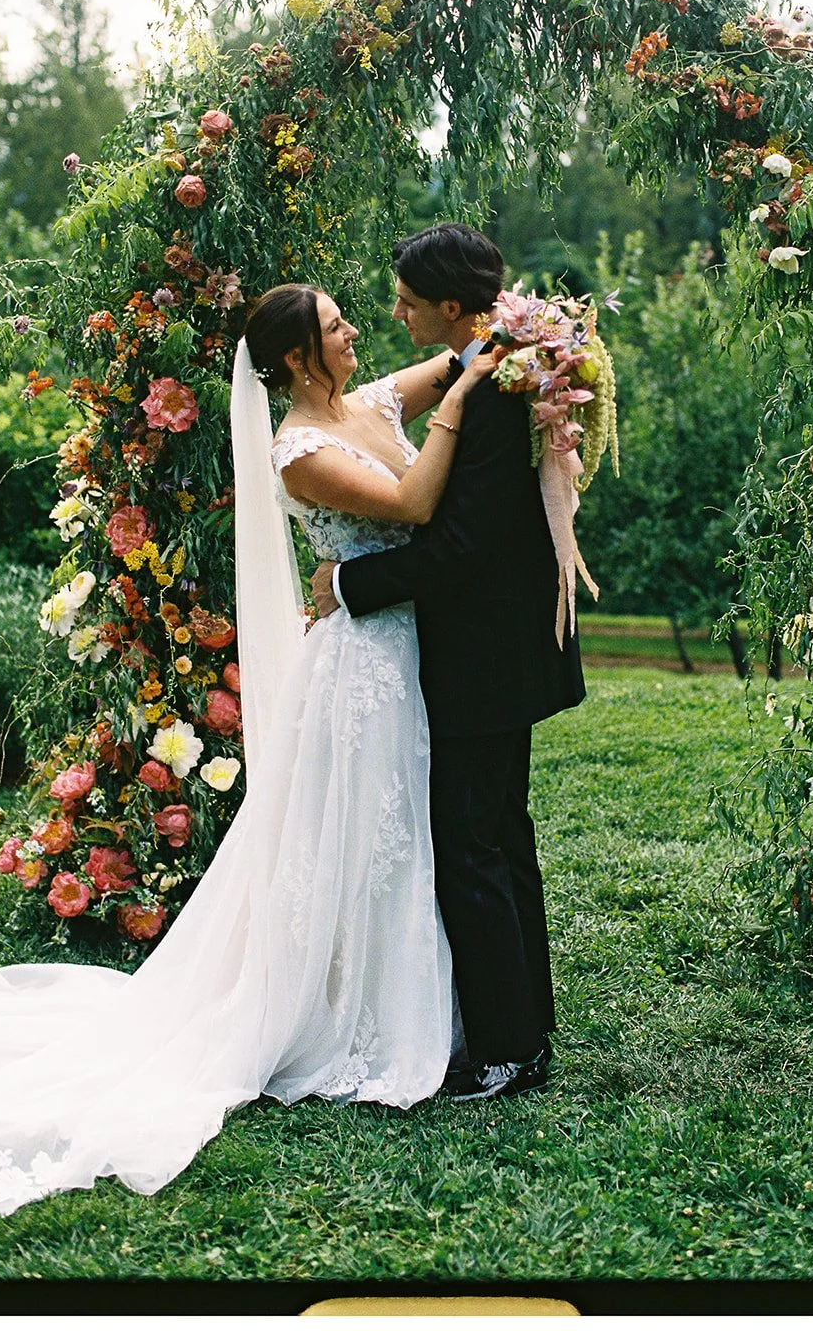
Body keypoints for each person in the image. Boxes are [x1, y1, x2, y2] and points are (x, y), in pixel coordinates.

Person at [0, 281, 492, 1217]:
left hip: (401, 658)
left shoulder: (370, 402)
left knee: (394, 831)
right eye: (333, 326)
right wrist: (468, 403)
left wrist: (503, 339)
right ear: (294, 362)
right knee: (364, 835)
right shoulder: (299, 452)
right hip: (359, 672)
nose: (354, 328)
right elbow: (411, 502)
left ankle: (405, 993)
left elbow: (451, 361)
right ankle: (353, 1015)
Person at [311, 223, 585, 1102]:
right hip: (503, 648)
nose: (395, 313)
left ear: (455, 308)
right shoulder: (500, 363)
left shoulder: (502, 386)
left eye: (408, 302)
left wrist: (349, 583)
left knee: (474, 846)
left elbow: (460, 543)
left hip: (483, 655)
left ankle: (507, 1050)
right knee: (502, 837)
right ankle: (525, 1033)